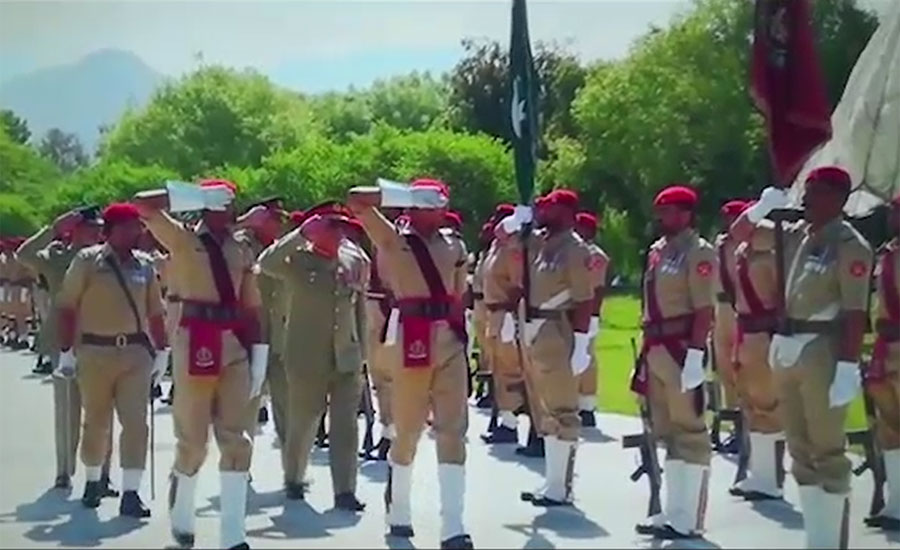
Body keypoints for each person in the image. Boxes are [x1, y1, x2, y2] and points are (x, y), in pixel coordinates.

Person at [730, 166, 872, 548]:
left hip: (823, 349)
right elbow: (737, 237)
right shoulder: (793, 236)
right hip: (788, 345)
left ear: (838, 199)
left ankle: (832, 542)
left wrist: (847, 365)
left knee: (827, 450)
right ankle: (817, 538)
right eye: (804, 191)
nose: (805, 199)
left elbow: (855, 312)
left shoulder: (849, 245)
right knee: (800, 450)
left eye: (816, 192)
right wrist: (761, 208)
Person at [134, 179, 266, 550]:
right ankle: (182, 516)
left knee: (237, 440)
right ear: (207, 206)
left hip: (235, 344)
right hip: (196, 340)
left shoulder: (242, 248)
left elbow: (252, 306)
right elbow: (143, 206)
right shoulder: (183, 239)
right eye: (220, 201)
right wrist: (192, 195)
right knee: (192, 441)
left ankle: (233, 535)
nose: (229, 208)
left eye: (231, 202)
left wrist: (260, 355)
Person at [348, 179, 473, 550]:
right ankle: (399, 509)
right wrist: (404, 195)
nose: (430, 209)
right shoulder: (394, 239)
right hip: (411, 335)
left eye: (436, 202)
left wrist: (463, 334)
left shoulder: (455, 244)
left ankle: (453, 524)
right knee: (408, 428)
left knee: (453, 429)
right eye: (424, 202)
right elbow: (356, 201)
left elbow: (457, 292)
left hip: (448, 338)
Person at [55, 203, 169, 516]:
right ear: (112, 230)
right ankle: (93, 480)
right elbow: (67, 306)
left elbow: (156, 312)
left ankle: (131, 492)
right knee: (96, 421)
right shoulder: (88, 261)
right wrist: (66, 350)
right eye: (131, 226)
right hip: (94, 352)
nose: (138, 232)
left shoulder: (145, 265)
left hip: (134, 354)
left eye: (138, 226)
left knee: (136, 424)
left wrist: (162, 351)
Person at [257, 204, 369, 511]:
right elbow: (266, 262)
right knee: (304, 421)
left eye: (342, 226)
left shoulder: (353, 259)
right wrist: (299, 233)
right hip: (306, 356)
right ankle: (294, 477)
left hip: (345, 354)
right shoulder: (296, 259)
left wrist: (364, 353)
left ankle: (345, 490)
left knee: (346, 426)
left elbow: (359, 308)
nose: (339, 232)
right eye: (332, 226)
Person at [498, 190, 595, 507]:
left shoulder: (574, 249)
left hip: (557, 329)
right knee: (545, 409)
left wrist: (581, 343)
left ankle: (561, 485)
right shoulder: (542, 242)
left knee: (563, 409)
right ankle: (552, 482)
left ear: (567, 211)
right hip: (534, 328)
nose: (543, 212)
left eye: (549, 207)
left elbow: (583, 299)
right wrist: (517, 218)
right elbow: (503, 237)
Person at [631, 185, 715, 540]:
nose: (662, 217)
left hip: (682, 347)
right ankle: (672, 511)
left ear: (685, 214)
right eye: (660, 211)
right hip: (657, 347)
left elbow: (704, 309)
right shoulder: (657, 251)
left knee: (691, 432)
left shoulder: (699, 253)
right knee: (666, 431)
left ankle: (690, 518)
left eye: (668, 211)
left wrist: (696, 354)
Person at [16, 207, 113, 492]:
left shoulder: (108, 257)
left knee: (102, 412)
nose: (96, 232)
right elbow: (24, 255)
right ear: (75, 230)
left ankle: (102, 474)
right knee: (67, 412)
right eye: (90, 227)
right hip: (66, 341)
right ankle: (64, 471)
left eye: (99, 227)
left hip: (103, 339)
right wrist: (53, 228)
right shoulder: (57, 257)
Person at [726, 200, 785, 501]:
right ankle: (760, 475)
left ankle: (772, 478)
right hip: (745, 331)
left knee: (768, 406)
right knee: (751, 405)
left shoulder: (774, 250)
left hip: (763, 332)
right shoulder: (744, 251)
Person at [235, 198, 289, 465]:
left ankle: (293, 468)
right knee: (249, 399)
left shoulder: (279, 248)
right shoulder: (240, 243)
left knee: (287, 399)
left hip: (280, 332)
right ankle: (241, 463)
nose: (279, 225)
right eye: (274, 219)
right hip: (251, 331)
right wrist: (243, 220)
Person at [861, 195, 900, 531]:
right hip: (887, 346)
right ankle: (896, 503)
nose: (892, 218)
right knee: (889, 428)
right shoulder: (887, 253)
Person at [478, 204, 527, 445]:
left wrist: (512, 314)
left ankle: (510, 422)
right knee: (498, 368)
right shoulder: (496, 248)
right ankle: (505, 419)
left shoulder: (512, 249)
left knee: (510, 369)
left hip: (506, 313)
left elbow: (518, 285)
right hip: (493, 314)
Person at [364, 208, 401, 460]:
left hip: (392, 314)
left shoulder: (398, 244)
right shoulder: (378, 245)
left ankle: (392, 434)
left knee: (390, 379)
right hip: (375, 311)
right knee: (378, 379)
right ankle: (386, 430)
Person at [711, 201, 744, 451]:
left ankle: (748, 426)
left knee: (743, 368)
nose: (729, 223)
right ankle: (732, 422)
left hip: (742, 307)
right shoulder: (720, 244)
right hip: (720, 308)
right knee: (723, 371)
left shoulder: (749, 244)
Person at [573, 211, 609, 428]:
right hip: (574, 312)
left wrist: (594, 316)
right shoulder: (574, 252)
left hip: (588, 312)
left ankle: (587, 406)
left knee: (587, 359)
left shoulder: (595, 256)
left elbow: (597, 288)